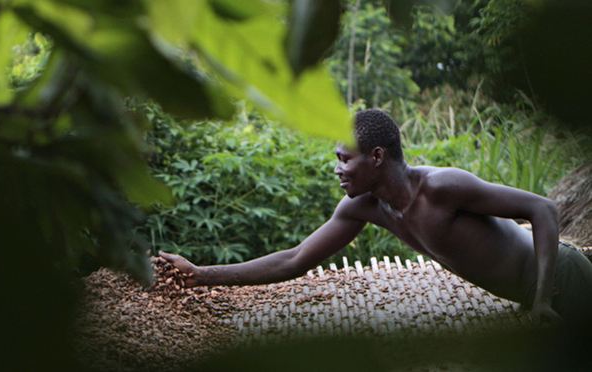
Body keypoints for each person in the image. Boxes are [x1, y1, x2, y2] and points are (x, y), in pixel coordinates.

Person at [160, 109, 592, 326]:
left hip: (564, 279)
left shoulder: (441, 188)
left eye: (344, 159)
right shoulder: (365, 208)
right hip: (532, 298)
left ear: (377, 157)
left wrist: (541, 302)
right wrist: (201, 274)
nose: (337, 168)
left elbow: (543, 209)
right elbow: (293, 260)